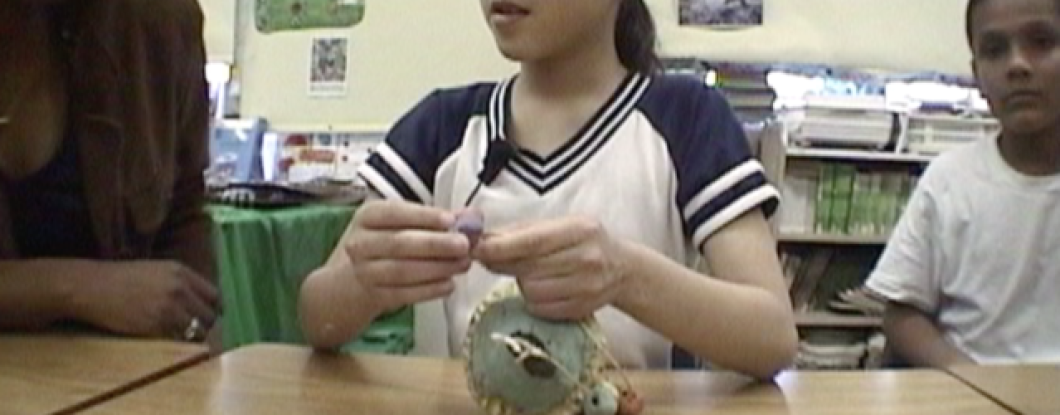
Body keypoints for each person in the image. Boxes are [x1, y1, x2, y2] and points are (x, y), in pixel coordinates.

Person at [298, 0, 797, 378]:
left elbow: (771, 338)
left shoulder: (686, 117)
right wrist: (360, 281)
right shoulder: (443, 127)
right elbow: (317, 317)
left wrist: (625, 276)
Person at [0, 0, 220, 345]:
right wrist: (80, 289)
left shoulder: (158, 23)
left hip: (117, 377)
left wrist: (195, 352)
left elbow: (183, 214)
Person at [865, 0, 1060, 367]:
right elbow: (901, 313)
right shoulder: (949, 181)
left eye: (1042, 41)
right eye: (994, 50)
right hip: (971, 391)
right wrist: (971, 379)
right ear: (976, 75)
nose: (1017, 65)